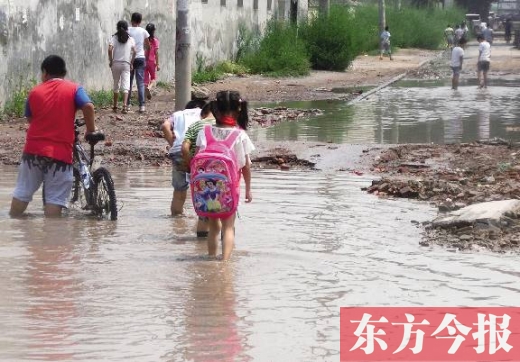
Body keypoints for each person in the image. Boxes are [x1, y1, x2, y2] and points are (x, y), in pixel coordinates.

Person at [10, 55, 97, 218]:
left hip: (33, 151)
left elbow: (30, 118)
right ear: (64, 72)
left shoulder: (34, 92)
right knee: (54, 200)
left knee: (22, 192)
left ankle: (14, 221)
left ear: (45, 73)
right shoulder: (74, 89)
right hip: (60, 154)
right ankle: (53, 240)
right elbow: (88, 105)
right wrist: (91, 130)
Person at [194, 90, 254, 261]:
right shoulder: (239, 135)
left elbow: (196, 161)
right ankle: (225, 265)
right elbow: (246, 166)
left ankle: (211, 260)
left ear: (215, 109)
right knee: (228, 227)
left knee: (214, 228)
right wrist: (248, 190)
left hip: (206, 190)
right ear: (239, 109)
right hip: (228, 189)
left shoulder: (204, 131)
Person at [162, 98, 207, 216]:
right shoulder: (204, 114)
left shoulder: (178, 114)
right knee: (203, 187)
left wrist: (173, 144)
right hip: (198, 152)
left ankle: (177, 219)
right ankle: (203, 220)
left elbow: (165, 126)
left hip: (178, 151)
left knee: (179, 189)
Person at [181, 102, 216, 237]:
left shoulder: (197, 125)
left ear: (203, 114)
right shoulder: (228, 127)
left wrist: (190, 165)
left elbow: (184, 148)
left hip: (201, 172)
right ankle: (225, 252)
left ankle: (200, 247)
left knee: (204, 213)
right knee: (225, 216)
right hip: (223, 174)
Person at [108, 20, 136, 114]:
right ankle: (124, 106)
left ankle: (115, 106)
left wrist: (111, 60)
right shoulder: (130, 39)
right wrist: (131, 63)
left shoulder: (114, 38)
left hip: (115, 63)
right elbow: (135, 51)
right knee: (126, 85)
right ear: (127, 28)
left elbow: (110, 49)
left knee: (116, 84)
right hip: (126, 64)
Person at [127, 12, 150, 113]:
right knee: (140, 82)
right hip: (140, 57)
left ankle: (127, 104)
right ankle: (142, 106)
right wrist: (144, 50)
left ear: (131, 20)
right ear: (140, 21)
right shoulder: (143, 31)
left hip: (130, 58)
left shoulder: (127, 30)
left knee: (129, 82)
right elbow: (148, 46)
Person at [144, 23, 160, 101]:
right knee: (153, 79)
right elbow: (156, 53)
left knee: (146, 79)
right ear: (153, 31)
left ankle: (145, 91)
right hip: (151, 62)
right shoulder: (155, 41)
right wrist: (158, 64)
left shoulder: (144, 40)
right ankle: (149, 88)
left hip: (144, 61)